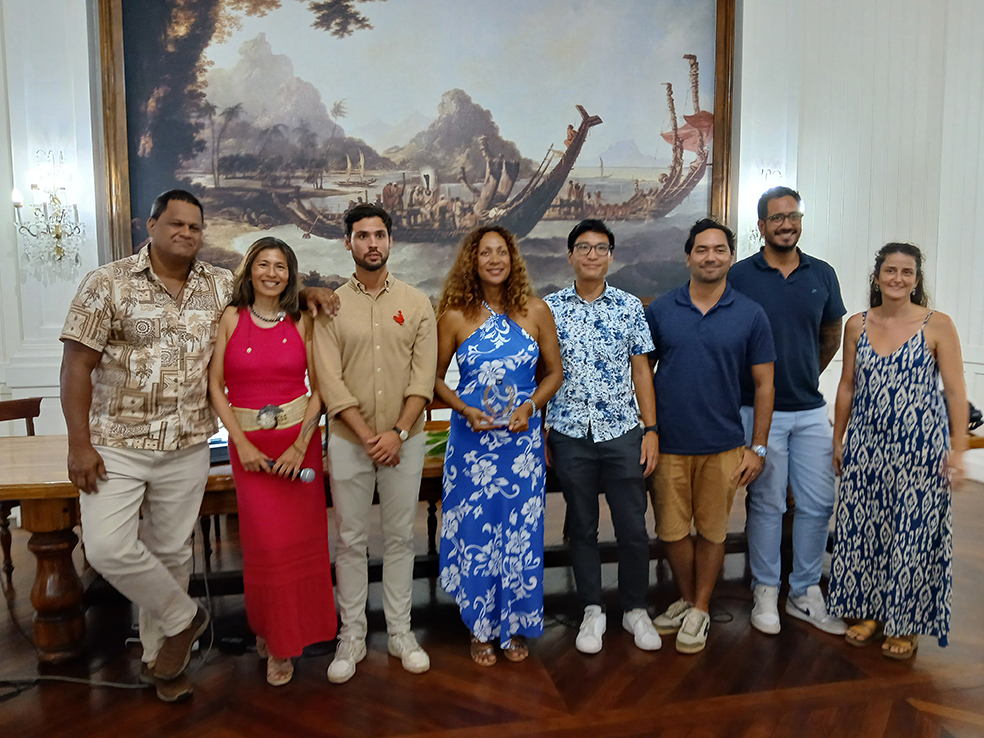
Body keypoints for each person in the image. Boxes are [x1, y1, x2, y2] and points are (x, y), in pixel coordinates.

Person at [59, 190, 337, 703]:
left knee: (169, 555)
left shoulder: (216, 286)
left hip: (187, 442)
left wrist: (314, 289)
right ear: (152, 224)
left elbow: (271, 287)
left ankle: (161, 661)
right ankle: (185, 617)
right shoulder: (107, 283)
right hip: (118, 443)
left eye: (195, 227)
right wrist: (79, 443)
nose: (186, 233)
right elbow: (76, 363)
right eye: (176, 224)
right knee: (105, 547)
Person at [311, 203, 437, 684]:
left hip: (405, 441)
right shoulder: (330, 307)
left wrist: (398, 433)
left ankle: (402, 632)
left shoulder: (416, 301)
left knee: (401, 537)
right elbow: (330, 380)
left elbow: (423, 378)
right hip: (349, 441)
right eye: (361, 235)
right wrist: (368, 436)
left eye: (379, 235)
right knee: (350, 540)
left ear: (391, 241)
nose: (371, 243)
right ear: (348, 242)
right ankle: (352, 635)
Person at [207, 237, 337, 686]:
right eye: (263, 264)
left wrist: (304, 444)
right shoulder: (231, 318)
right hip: (252, 454)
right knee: (265, 547)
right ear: (250, 270)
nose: (271, 273)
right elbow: (215, 386)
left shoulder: (302, 321)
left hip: (296, 449)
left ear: (290, 274)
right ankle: (270, 630)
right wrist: (238, 443)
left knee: (300, 546)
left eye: (280, 266)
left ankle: (290, 643)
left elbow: (320, 389)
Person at [829, 243, 967, 659]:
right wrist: (839, 438)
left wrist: (958, 451)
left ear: (917, 280)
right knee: (864, 528)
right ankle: (868, 611)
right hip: (867, 445)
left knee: (914, 533)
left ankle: (906, 622)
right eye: (890, 271)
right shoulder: (857, 324)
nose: (898, 279)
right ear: (877, 277)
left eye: (907, 272)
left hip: (921, 448)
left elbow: (957, 392)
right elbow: (847, 386)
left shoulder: (937, 325)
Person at [434, 225, 563, 666]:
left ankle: (514, 625)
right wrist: (464, 409)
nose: (494, 260)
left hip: (520, 445)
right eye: (485, 253)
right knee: (476, 533)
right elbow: (431, 379)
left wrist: (530, 405)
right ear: (473, 261)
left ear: (513, 259)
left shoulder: (535, 311)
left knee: (518, 535)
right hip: (471, 447)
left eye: (501, 252)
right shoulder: (454, 315)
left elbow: (554, 374)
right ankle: (479, 626)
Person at [645, 219, 775, 654]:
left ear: (731, 258)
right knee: (672, 531)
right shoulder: (661, 310)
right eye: (702, 249)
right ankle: (685, 598)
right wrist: (649, 432)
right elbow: (642, 375)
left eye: (720, 250)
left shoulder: (751, 314)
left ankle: (700, 608)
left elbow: (764, 386)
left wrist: (757, 446)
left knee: (714, 533)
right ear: (688, 256)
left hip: (723, 444)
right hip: (669, 444)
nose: (710, 257)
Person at [728, 186, 848, 636]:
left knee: (818, 503)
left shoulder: (823, 273)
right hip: (759, 413)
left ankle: (804, 591)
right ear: (761, 226)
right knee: (767, 503)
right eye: (777, 218)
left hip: (811, 410)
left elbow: (831, 332)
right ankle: (764, 590)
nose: (786, 224)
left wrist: (805, 375)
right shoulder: (740, 276)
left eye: (793, 216)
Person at [543, 220, 662, 655]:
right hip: (570, 431)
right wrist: (541, 429)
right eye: (584, 248)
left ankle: (634, 608)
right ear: (570, 255)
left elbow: (640, 371)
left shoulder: (630, 307)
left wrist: (650, 430)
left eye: (601, 248)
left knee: (633, 526)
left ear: (611, 255)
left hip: (622, 431)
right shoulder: (549, 308)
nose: (592, 255)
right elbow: (540, 374)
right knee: (583, 526)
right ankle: (592, 608)